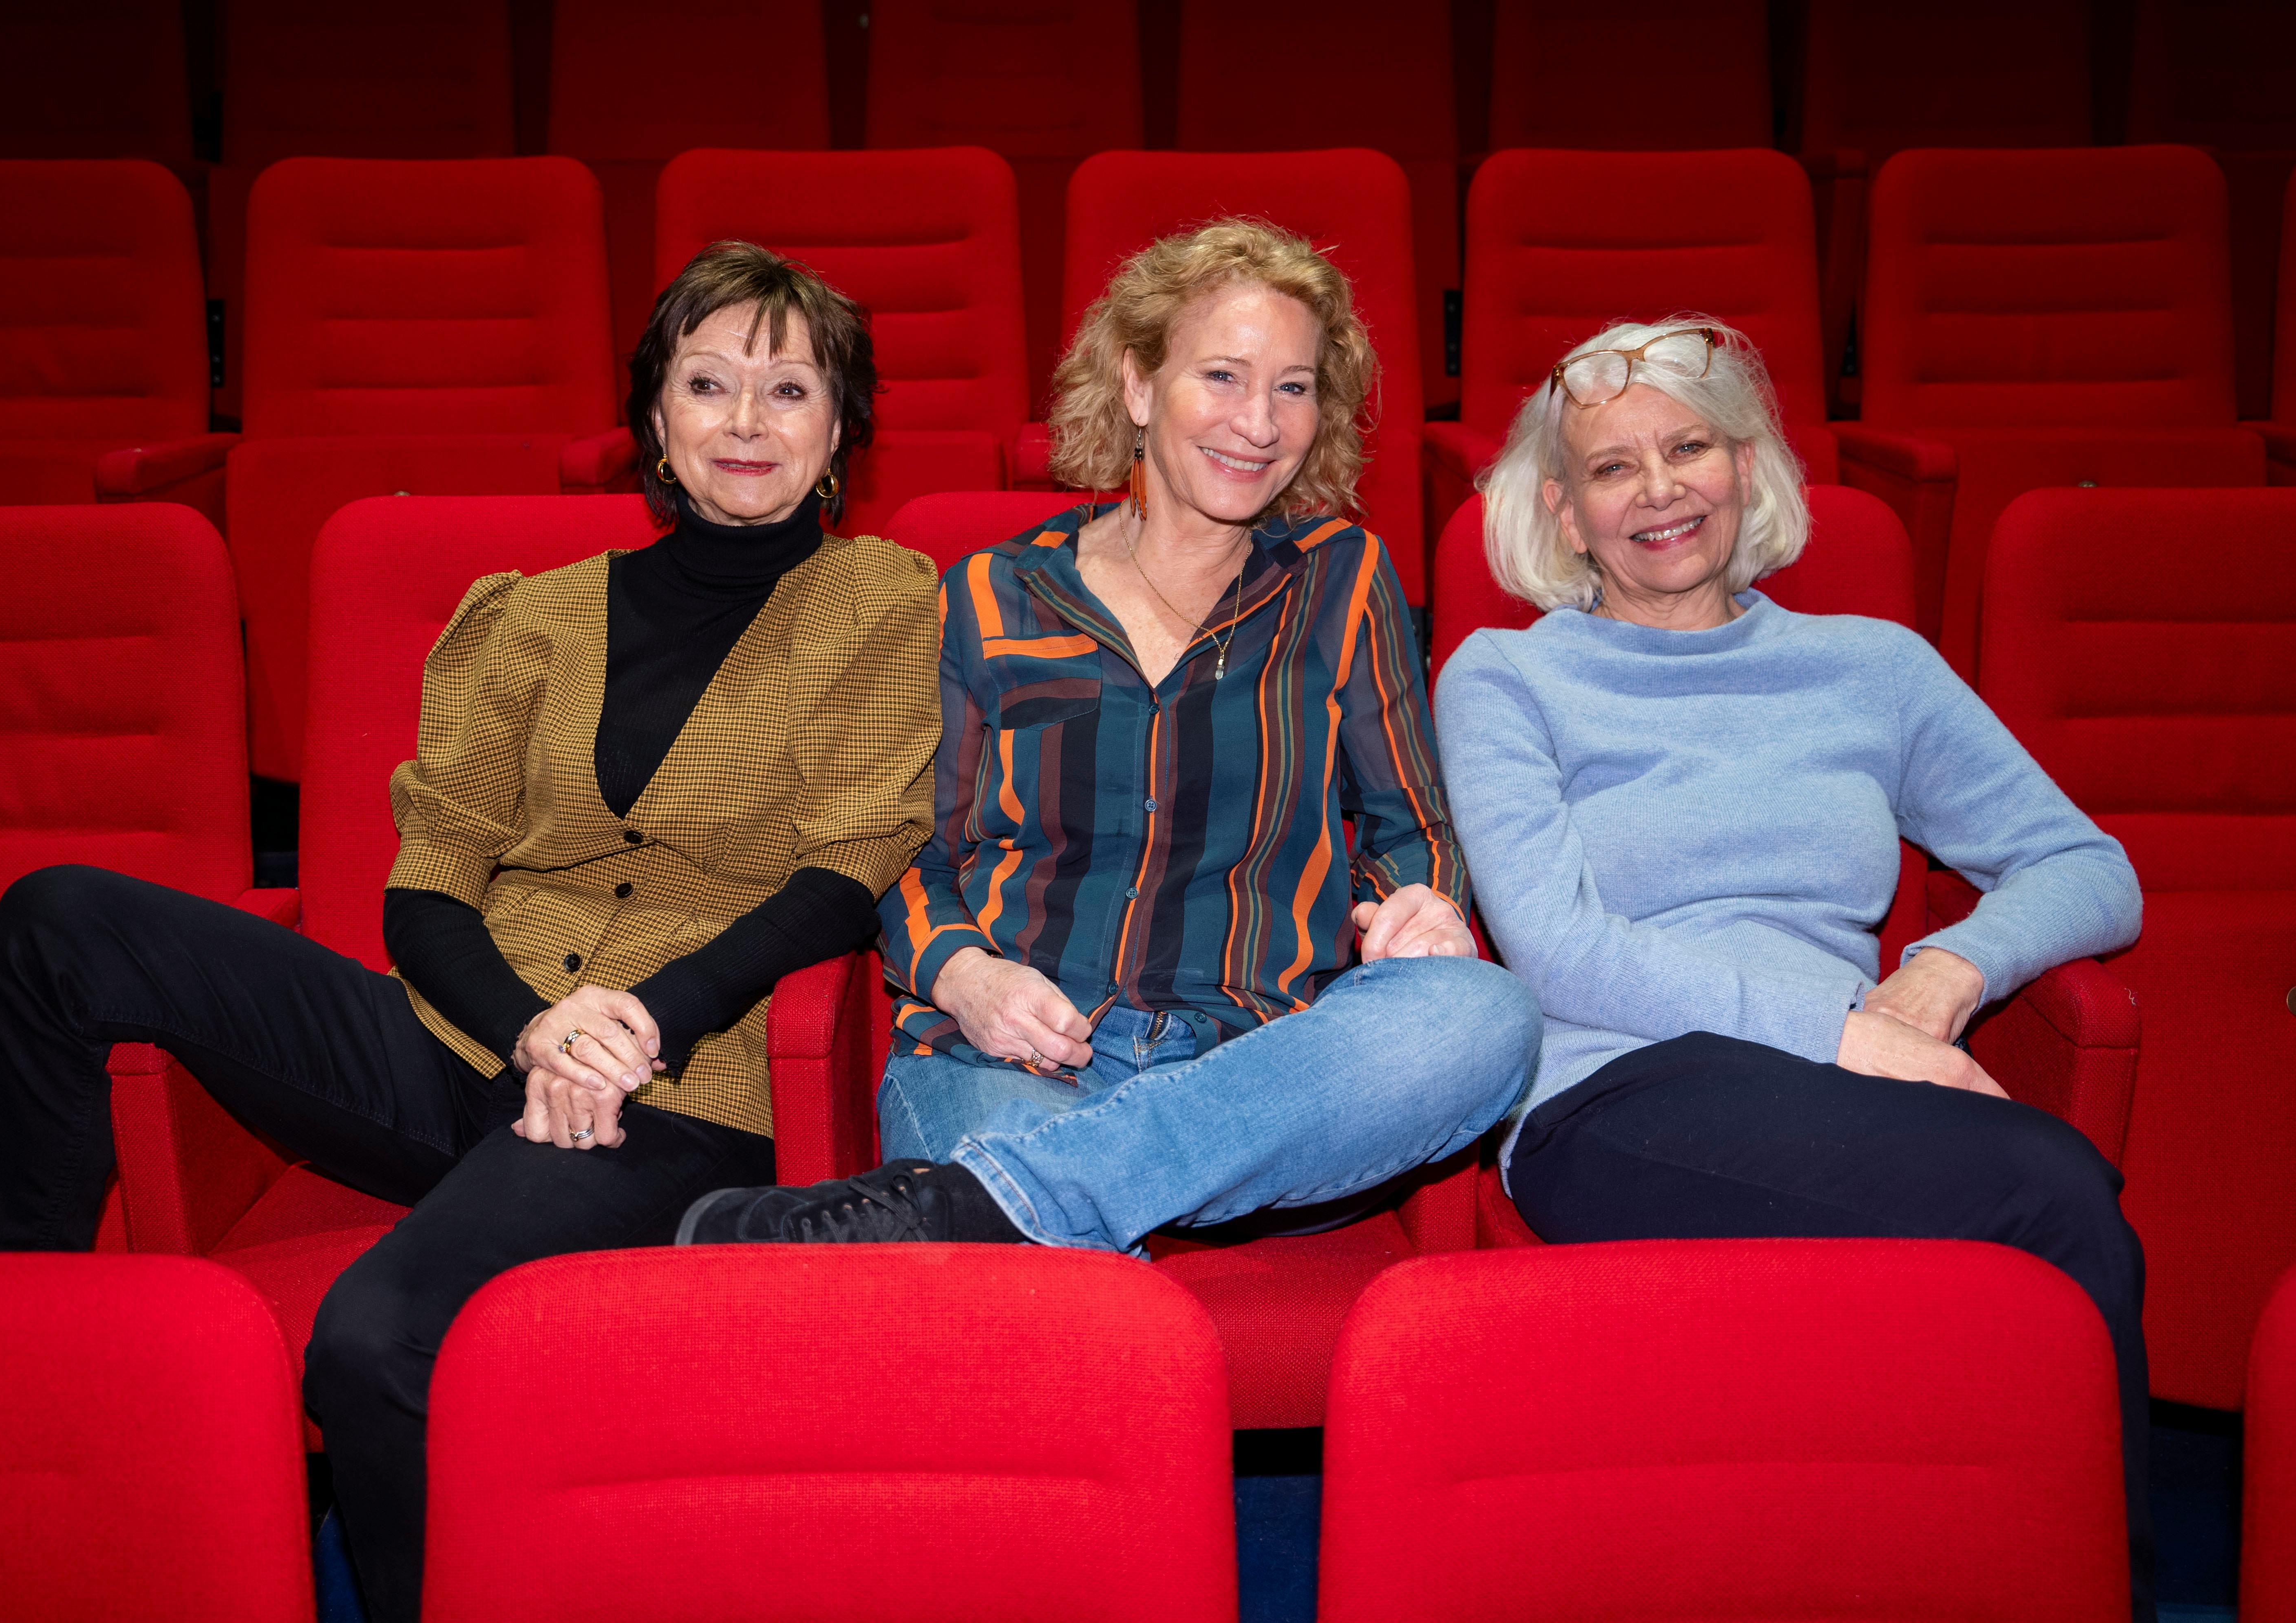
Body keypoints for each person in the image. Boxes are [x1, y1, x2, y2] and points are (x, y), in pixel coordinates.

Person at [0, 242, 941, 1623]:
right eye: (708, 383)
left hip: (684, 1090)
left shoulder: (884, 602)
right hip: (473, 1037)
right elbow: (430, 878)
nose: (745, 422)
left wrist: (637, 1020)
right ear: (652, 417)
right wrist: (534, 1029)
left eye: (788, 390)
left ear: (836, 435)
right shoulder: (531, 615)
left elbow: (847, 867)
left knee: (376, 1342)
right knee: (60, 919)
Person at [1431, 317, 2153, 1619]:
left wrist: (1948, 968)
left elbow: (2089, 866)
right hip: (1613, 1090)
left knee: (2015, 1221)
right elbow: (1558, 946)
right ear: (1564, 510)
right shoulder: (1511, 677)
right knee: (2046, 1196)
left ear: (1748, 468)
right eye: (1612, 468)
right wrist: (1842, 1029)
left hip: (1844, 1077)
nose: (1658, 490)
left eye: (1689, 447)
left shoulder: (1870, 666)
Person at [677, 219, 1540, 1253]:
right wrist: (963, 974)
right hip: (1008, 1059)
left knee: (1487, 1017)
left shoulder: (1342, 579)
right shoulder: (989, 595)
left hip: (1256, 1064)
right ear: (1136, 386)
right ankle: (1054, 1203)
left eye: (1295, 388)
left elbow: (1412, 827)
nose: (1258, 423)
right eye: (1222, 375)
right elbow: (909, 854)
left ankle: (976, 1207)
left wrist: (1424, 905)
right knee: (1060, 1299)